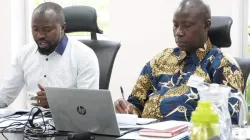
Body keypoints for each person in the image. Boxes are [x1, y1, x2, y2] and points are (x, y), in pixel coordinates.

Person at [114, 0, 244, 124]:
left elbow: (229, 121)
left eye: (187, 25)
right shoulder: (160, 60)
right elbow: (136, 105)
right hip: (143, 134)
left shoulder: (223, 66)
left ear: (206, 25)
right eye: (175, 25)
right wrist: (126, 109)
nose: (178, 32)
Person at [0, 2, 99, 109]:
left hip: (68, 123)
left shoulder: (84, 55)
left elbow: (88, 105)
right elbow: (4, 96)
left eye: (47, 30)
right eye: (35, 29)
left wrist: (57, 101)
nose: (40, 35)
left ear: (62, 27)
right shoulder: (25, 54)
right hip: (30, 122)